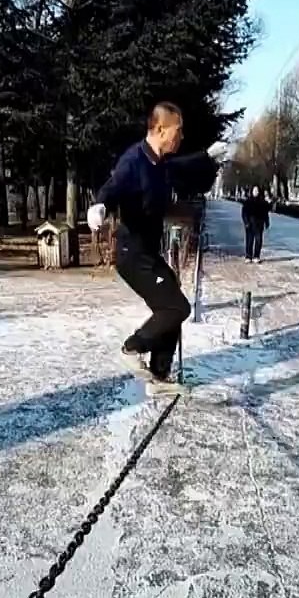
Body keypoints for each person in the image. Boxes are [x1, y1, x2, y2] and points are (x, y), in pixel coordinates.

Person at [87, 102, 223, 397]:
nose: (182, 136)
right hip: (132, 255)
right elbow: (114, 185)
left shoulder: (160, 163)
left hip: (148, 252)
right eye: (179, 130)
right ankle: (132, 347)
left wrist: (209, 156)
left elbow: (183, 164)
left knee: (171, 302)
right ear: (161, 129)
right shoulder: (134, 160)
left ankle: (159, 375)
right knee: (177, 307)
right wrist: (99, 205)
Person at [241, 185, 271, 263]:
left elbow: (266, 212)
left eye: (257, 191)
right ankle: (248, 256)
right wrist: (246, 222)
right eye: (254, 190)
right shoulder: (248, 201)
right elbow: (244, 213)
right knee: (249, 241)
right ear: (252, 191)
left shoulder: (262, 202)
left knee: (258, 241)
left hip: (259, 224)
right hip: (250, 224)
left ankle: (256, 256)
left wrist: (267, 222)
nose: (256, 192)